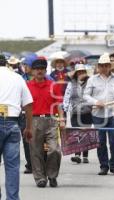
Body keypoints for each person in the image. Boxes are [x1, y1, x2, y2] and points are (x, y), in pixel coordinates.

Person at [27, 57, 64, 188]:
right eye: (37, 69)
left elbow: (59, 104)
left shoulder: (53, 85)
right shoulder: (27, 86)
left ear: (45, 70)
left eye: (42, 68)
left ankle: (52, 175)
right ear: (32, 71)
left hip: (51, 120)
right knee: (36, 151)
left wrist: (62, 119)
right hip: (34, 120)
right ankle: (40, 178)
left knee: (54, 150)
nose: (40, 71)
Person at [84, 53, 114, 176]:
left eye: (106, 65)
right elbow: (86, 95)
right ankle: (104, 166)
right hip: (98, 114)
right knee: (100, 142)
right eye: (101, 65)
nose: (104, 68)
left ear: (109, 66)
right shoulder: (92, 79)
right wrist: (96, 102)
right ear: (98, 66)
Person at [0, 54, 33, 200]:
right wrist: (28, 127)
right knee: (12, 166)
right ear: (6, 63)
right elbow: (28, 104)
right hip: (13, 123)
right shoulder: (17, 77)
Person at [63, 64, 92, 164]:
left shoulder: (90, 83)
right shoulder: (71, 84)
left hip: (87, 112)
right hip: (75, 112)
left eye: (82, 72)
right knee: (76, 132)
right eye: (79, 72)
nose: (81, 74)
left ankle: (85, 155)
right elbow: (67, 97)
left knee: (86, 133)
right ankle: (77, 155)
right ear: (76, 74)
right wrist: (66, 109)